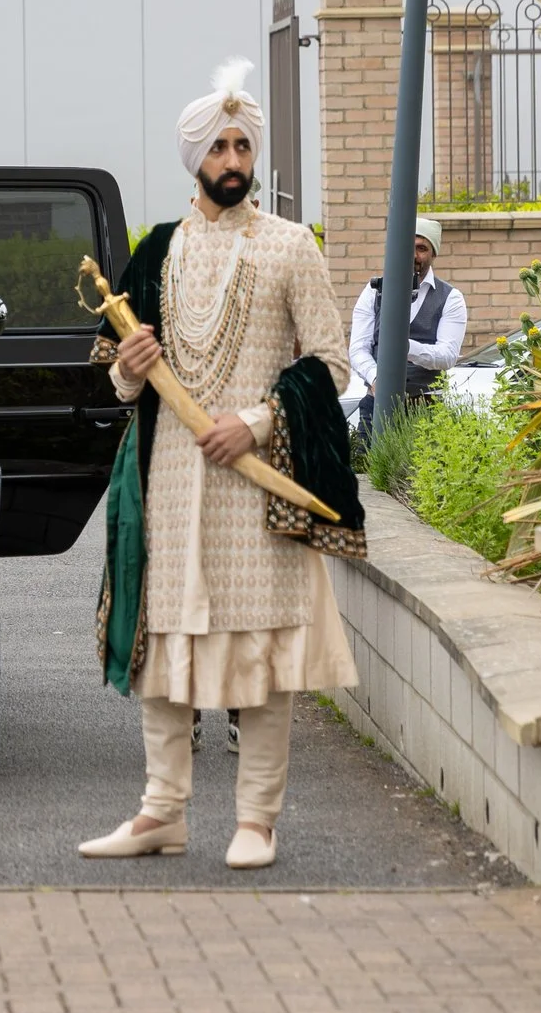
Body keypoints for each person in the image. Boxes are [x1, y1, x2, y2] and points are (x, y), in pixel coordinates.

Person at [79, 59, 363, 871]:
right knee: (163, 650)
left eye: (243, 145)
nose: (234, 160)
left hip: (255, 485)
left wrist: (258, 419)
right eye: (219, 147)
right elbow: (117, 374)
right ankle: (160, 813)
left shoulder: (290, 246)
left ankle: (256, 821)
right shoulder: (157, 252)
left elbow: (333, 364)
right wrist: (132, 364)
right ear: (195, 158)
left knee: (260, 658)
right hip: (170, 481)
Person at [348, 216, 469, 432]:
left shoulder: (451, 297)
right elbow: (358, 348)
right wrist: (379, 378)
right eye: (408, 246)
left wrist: (405, 348)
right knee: (367, 465)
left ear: (434, 254)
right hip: (376, 406)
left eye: (422, 248)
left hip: (425, 409)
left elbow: (448, 355)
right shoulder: (374, 290)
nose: (413, 255)